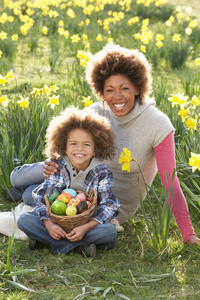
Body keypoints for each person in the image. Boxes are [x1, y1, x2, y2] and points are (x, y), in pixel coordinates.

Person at [11, 43, 199, 245]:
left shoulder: (158, 124)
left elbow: (170, 182)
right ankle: (20, 191)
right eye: (109, 90)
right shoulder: (96, 111)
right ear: (101, 90)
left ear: (137, 87)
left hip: (110, 199)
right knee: (17, 177)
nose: (117, 97)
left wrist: (188, 234)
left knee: (32, 194)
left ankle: (24, 196)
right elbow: (74, 146)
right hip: (77, 180)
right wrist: (54, 160)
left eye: (124, 88)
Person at [17, 107, 120, 257]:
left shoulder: (102, 172)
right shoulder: (58, 166)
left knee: (109, 232)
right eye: (73, 143)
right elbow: (41, 197)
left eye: (86, 144)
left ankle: (48, 242)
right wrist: (49, 224)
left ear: (95, 148)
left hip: (85, 224)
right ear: (64, 145)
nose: (80, 149)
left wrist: (85, 228)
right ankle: (77, 247)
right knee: (24, 220)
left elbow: (109, 205)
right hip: (57, 222)